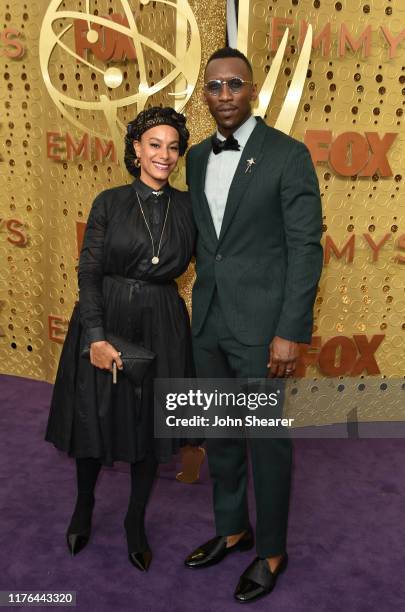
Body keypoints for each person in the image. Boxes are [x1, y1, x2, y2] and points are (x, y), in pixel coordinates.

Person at [184, 47, 323, 603]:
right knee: (220, 438)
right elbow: (205, 246)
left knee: (266, 443)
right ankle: (232, 527)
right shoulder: (194, 157)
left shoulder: (288, 156)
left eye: (234, 84)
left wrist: (290, 330)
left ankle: (270, 550)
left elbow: (305, 248)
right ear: (205, 94)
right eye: (214, 87)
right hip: (210, 322)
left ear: (254, 90)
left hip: (265, 330)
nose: (224, 96)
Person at [45, 106, 195, 572]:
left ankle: (134, 520)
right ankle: (84, 505)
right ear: (135, 148)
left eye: (173, 147)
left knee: (149, 427)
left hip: (162, 322)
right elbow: (89, 270)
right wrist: (93, 335)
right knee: (95, 418)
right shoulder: (108, 202)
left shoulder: (189, 207)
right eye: (154, 144)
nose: (164, 155)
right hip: (105, 317)